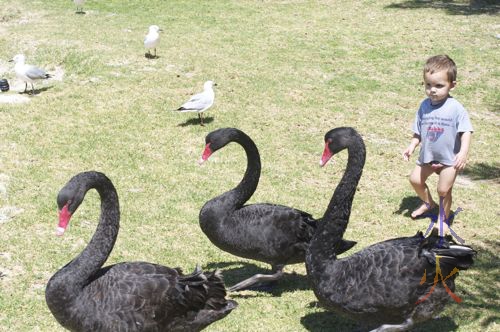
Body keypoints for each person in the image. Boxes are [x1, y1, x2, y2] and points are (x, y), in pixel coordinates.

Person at [403, 55, 473, 237]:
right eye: (428, 85)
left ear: (452, 85)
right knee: (415, 180)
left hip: (449, 160)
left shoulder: (456, 108)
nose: (432, 90)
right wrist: (412, 146)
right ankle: (428, 203)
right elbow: (418, 131)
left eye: (439, 86)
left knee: (443, 190)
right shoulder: (424, 106)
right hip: (427, 157)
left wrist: (463, 152)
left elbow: (466, 131)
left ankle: (442, 220)